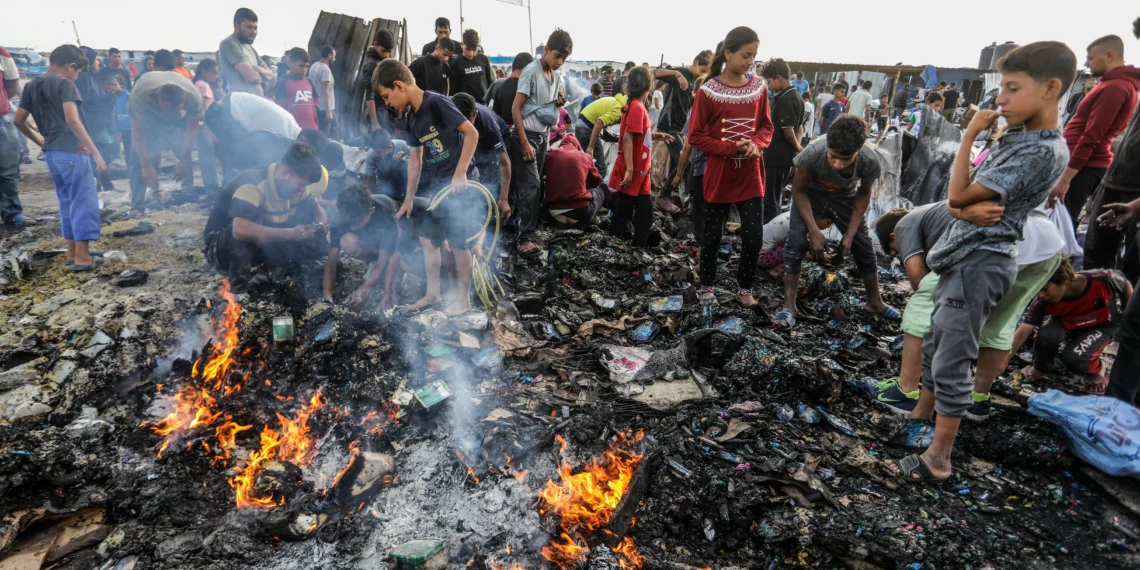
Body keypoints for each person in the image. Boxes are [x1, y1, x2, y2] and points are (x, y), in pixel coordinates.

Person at [889, 42, 1076, 483]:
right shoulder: (1021, 138)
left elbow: (958, 194)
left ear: (1050, 88)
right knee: (938, 343)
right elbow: (963, 201)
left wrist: (969, 136)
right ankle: (921, 414)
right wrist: (961, 209)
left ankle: (938, 456)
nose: (1000, 99)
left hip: (981, 261)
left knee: (955, 356)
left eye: (1012, 88)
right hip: (968, 255)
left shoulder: (1040, 150)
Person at [873, 202, 1065, 419]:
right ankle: (978, 399)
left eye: (896, 252)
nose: (901, 255)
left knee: (923, 303)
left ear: (892, 237)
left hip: (998, 243)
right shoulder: (934, 216)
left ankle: (905, 391)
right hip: (1048, 246)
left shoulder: (905, 225)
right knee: (998, 318)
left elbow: (918, 279)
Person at [372, 58, 480, 315]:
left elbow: (471, 133)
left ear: (399, 85)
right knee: (428, 237)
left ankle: (464, 301)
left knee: (458, 244)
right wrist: (409, 198)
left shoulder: (437, 102)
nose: (387, 103)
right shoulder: (412, 120)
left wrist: (461, 172)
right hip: (439, 189)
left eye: (387, 96)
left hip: (461, 185)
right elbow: (416, 161)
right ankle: (433, 293)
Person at [776, 116, 891, 328]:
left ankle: (874, 301)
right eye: (833, 157)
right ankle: (788, 305)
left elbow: (863, 195)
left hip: (844, 199)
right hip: (810, 196)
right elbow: (798, 192)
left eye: (846, 160)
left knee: (862, 243)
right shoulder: (812, 153)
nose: (838, 164)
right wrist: (813, 230)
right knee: (796, 244)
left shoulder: (869, 161)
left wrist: (848, 236)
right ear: (827, 146)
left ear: (858, 152)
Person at [689, 27, 773, 308]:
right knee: (713, 234)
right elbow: (696, 136)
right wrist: (731, 148)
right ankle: (706, 286)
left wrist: (756, 145)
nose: (751, 61)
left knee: (753, 235)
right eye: (746, 55)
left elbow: (766, 127)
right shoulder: (708, 92)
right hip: (719, 175)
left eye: (754, 56)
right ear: (728, 54)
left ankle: (745, 288)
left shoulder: (759, 87)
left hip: (751, 174)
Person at [14, 45, 107, 269]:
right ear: (70, 66)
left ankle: (73, 252)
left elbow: (19, 120)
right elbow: (72, 120)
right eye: (78, 72)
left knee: (67, 203)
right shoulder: (65, 84)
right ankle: (84, 258)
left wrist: (41, 142)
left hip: (53, 155)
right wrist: (95, 151)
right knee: (83, 201)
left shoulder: (32, 85)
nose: (77, 77)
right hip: (73, 152)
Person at [1050, 35, 1140, 232]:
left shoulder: (1115, 88)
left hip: (1085, 164)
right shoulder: (1114, 84)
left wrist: (1065, 179)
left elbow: (1092, 136)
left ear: (1109, 56)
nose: (1086, 63)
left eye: (1091, 58)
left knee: (1063, 220)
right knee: (1061, 217)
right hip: (1081, 162)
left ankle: (1060, 261)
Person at [203, 142, 329, 282]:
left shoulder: (295, 188)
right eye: (301, 184)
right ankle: (238, 288)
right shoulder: (252, 183)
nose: (302, 189)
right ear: (285, 172)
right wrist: (292, 233)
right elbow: (240, 230)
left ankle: (272, 274)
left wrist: (319, 225)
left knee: (308, 227)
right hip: (221, 251)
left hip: (263, 246)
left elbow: (319, 211)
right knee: (248, 227)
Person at [1012, 260, 1132, 394]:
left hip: (1103, 324)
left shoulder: (1103, 279)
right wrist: (1001, 362)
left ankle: (1098, 368)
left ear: (1065, 280)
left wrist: (1129, 315)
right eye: (1037, 289)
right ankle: (1041, 367)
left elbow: (1125, 285)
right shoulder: (1042, 301)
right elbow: (1023, 331)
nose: (1040, 295)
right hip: (1068, 322)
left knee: (1074, 358)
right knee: (1046, 335)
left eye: (1044, 289)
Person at [511, 29, 572, 253]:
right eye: (557, 56)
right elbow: (516, 109)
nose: (560, 62)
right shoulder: (531, 71)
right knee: (531, 185)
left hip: (544, 136)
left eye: (564, 58)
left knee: (534, 187)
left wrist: (558, 102)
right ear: (546, 50)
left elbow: (546, 104)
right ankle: (523, 238)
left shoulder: (556, 77)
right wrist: (524, 143)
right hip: (526, 136)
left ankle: (525, 229)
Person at [609, 67, 671, 247]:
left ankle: (639, 248)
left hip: (641, 172)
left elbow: (637, 135)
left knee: (645, 214)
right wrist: (629, 169)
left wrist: (655, 135)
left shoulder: (637, 106)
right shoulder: (637, 107)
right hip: (634, 170)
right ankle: (610, 247)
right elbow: (628, 138)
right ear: (649, 86)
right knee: (624, 214)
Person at [127, 71, 204, 213]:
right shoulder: (141, 96)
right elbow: (137, 132)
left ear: (183, 102)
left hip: (177, 122)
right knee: (136, 158)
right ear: (158, 98)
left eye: (176, 109)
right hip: (150, 118)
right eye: (168, 109)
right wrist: (146, 165)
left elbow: (192, 131)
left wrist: (184, 160)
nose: (170, 114)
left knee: (182, 148)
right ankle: (137, 206)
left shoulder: (194, 98)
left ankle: (187, 196)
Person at [322, 183, 406, 309]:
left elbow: (383, 261)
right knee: (347, 241)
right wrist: (327, 296)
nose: (353, 227)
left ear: (371, 211)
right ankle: (372, 263)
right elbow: (331, 261)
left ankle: (393, 271)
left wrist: (364, 289)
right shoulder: (340, 216)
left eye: (358, 222)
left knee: (392, 285)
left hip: (395, 245)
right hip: (371, 243)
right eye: (349, 223)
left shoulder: (386, 214)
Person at [654, 51, 713, 214]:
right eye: (702, 69)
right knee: (684, 161)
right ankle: (663, 196)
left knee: (677, 162)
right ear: (695, 63)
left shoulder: (695, 81)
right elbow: (656, 73)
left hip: (680, 127)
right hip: (669, 126)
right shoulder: (680, 74)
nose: (703, 73)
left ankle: (673, 196)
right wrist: (676, 73)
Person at [452, 92, 512, 217]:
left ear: (475, 115)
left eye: (469, 123)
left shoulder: (489, 127)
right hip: (476, 145)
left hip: (492, 144)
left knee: (490, 182)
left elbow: (504, 162)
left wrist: (504, 199)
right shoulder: (448, 110)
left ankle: (491, 214)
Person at [761, 58, 804, 224]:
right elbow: (799, 128)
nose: (770, 86)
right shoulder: (796, 97)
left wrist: (798, 148)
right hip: (782, 158)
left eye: (770, 81)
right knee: (775, 196)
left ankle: (768, 237)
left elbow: (789, 132)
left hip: (777, 157)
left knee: (770, 199)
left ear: (779, 78)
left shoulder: (786, 99)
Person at [543, 133, 611, 230]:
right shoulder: (584, 156)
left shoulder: (549, 154)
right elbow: (597, 181)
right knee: (603, 188)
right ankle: (605, 215)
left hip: (554, 217)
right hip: (580, 217)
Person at [77, 47, 116, 192]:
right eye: (96, 59)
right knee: (98, 157)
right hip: (92, 125)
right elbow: (86, 103)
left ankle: (106, 185)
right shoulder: (83, 78)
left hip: (98, 124)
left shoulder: (91, 77)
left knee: (104, 156)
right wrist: (108, 99)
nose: (99, 62)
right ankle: (96, 188)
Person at [757, 210, 841, 278]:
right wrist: (820, 256)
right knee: (799, 249)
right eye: (828, 222)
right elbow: (799, 249)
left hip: (757, 247)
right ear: (818, 217)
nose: (828, 227)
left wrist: (825, 248)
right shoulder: (797, 227)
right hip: (762, 256)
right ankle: (775, 271)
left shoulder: (799, 215)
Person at [220, 8, 275, 97]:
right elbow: (251, 77)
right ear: (236, 25)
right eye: (249, 27)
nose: (254, 32)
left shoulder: (250, 48)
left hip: (254, 102)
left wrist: (257, 70)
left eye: (255, 28)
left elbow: (271, 76)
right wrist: (263, 75)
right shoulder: (229, 44)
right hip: (240, 103)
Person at [0, 46, 25, 225]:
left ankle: (11, 213)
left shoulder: (2, 54)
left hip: (2, 119)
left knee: (8, 170)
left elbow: (12, 85)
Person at [578, 93, 627, 179]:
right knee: (601, 168)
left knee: (588, 164)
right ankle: (595, 190)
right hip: (585, 128)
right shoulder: (619, 110)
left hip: (582, 124)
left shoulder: (616, 101)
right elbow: (599, 122)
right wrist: (591, 147)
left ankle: (586, 186)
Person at [192, 59, 221, 192]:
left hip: (204, 126)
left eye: (217, 73)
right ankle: (212, 190)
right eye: (213, 73)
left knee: (207, 159)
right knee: (208, 159)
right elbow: (202, 112)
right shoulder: (202, 86)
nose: (215, 75)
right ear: (204, 71)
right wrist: (210, 132)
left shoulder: (200, 83)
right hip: (205, 127)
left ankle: (212, 189)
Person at [274, 47, 319, 130]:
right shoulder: (283, 82)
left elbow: (316, 99)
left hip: (312, 128)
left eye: (307, 66)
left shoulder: (308, 81)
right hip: (294, 130)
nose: (304, 70)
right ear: (290, 63)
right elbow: (280, 109)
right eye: (301, 66)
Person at [361, 30, 395, 133]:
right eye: (384, 51)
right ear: (375, 45)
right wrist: (375, 122)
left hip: (385, 110)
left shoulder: (381, 61)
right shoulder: (372, 65)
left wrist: (393, 113)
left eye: (390, 51)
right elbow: (369, 94)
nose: (387, 54)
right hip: (378, 112)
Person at [484, 52, 532, 126]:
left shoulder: (498, 85)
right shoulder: (526, 87)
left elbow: (492, 112)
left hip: (502, 130)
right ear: (528, 69)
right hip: (522, 131)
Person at [363, 128, 410, 199]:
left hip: (403, 177)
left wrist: (405, 159)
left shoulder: (403, 146)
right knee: (384, 196)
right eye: (374, 150)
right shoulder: (372, 153)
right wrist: (371, 197)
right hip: (384, 178)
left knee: (405, 163)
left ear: (389, 147)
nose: (375, 154)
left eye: (379, 152)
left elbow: (416, 163)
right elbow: (368, 179)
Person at [452, 29, 494, 102]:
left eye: (474, 49)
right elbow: (454, 90)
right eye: (467, 49)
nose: (471, 53)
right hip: (465, 105)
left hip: (483, 103)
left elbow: (490, 82)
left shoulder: (484, 59)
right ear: (462, 44)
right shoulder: (456, 63)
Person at [102, 73, 132, 165]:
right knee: (127, 153)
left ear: (115, 85)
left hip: (132, 129)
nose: (108, 91)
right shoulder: (114, 98)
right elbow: (114, 115)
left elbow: (134, 112)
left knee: (133, 152)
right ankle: (131, 174)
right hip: (123, 130)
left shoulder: (128, 96)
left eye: (109, 89)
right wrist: (117, 130)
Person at [309, 46, 336, 136]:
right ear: (329, 55)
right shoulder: (325, 69)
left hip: (316, 105)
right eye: (334, 56)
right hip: (324, 107)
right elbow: (326, 91)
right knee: (331, 130)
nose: (334, 59)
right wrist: (328, 111)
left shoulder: (314, 66)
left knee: (319, 130)